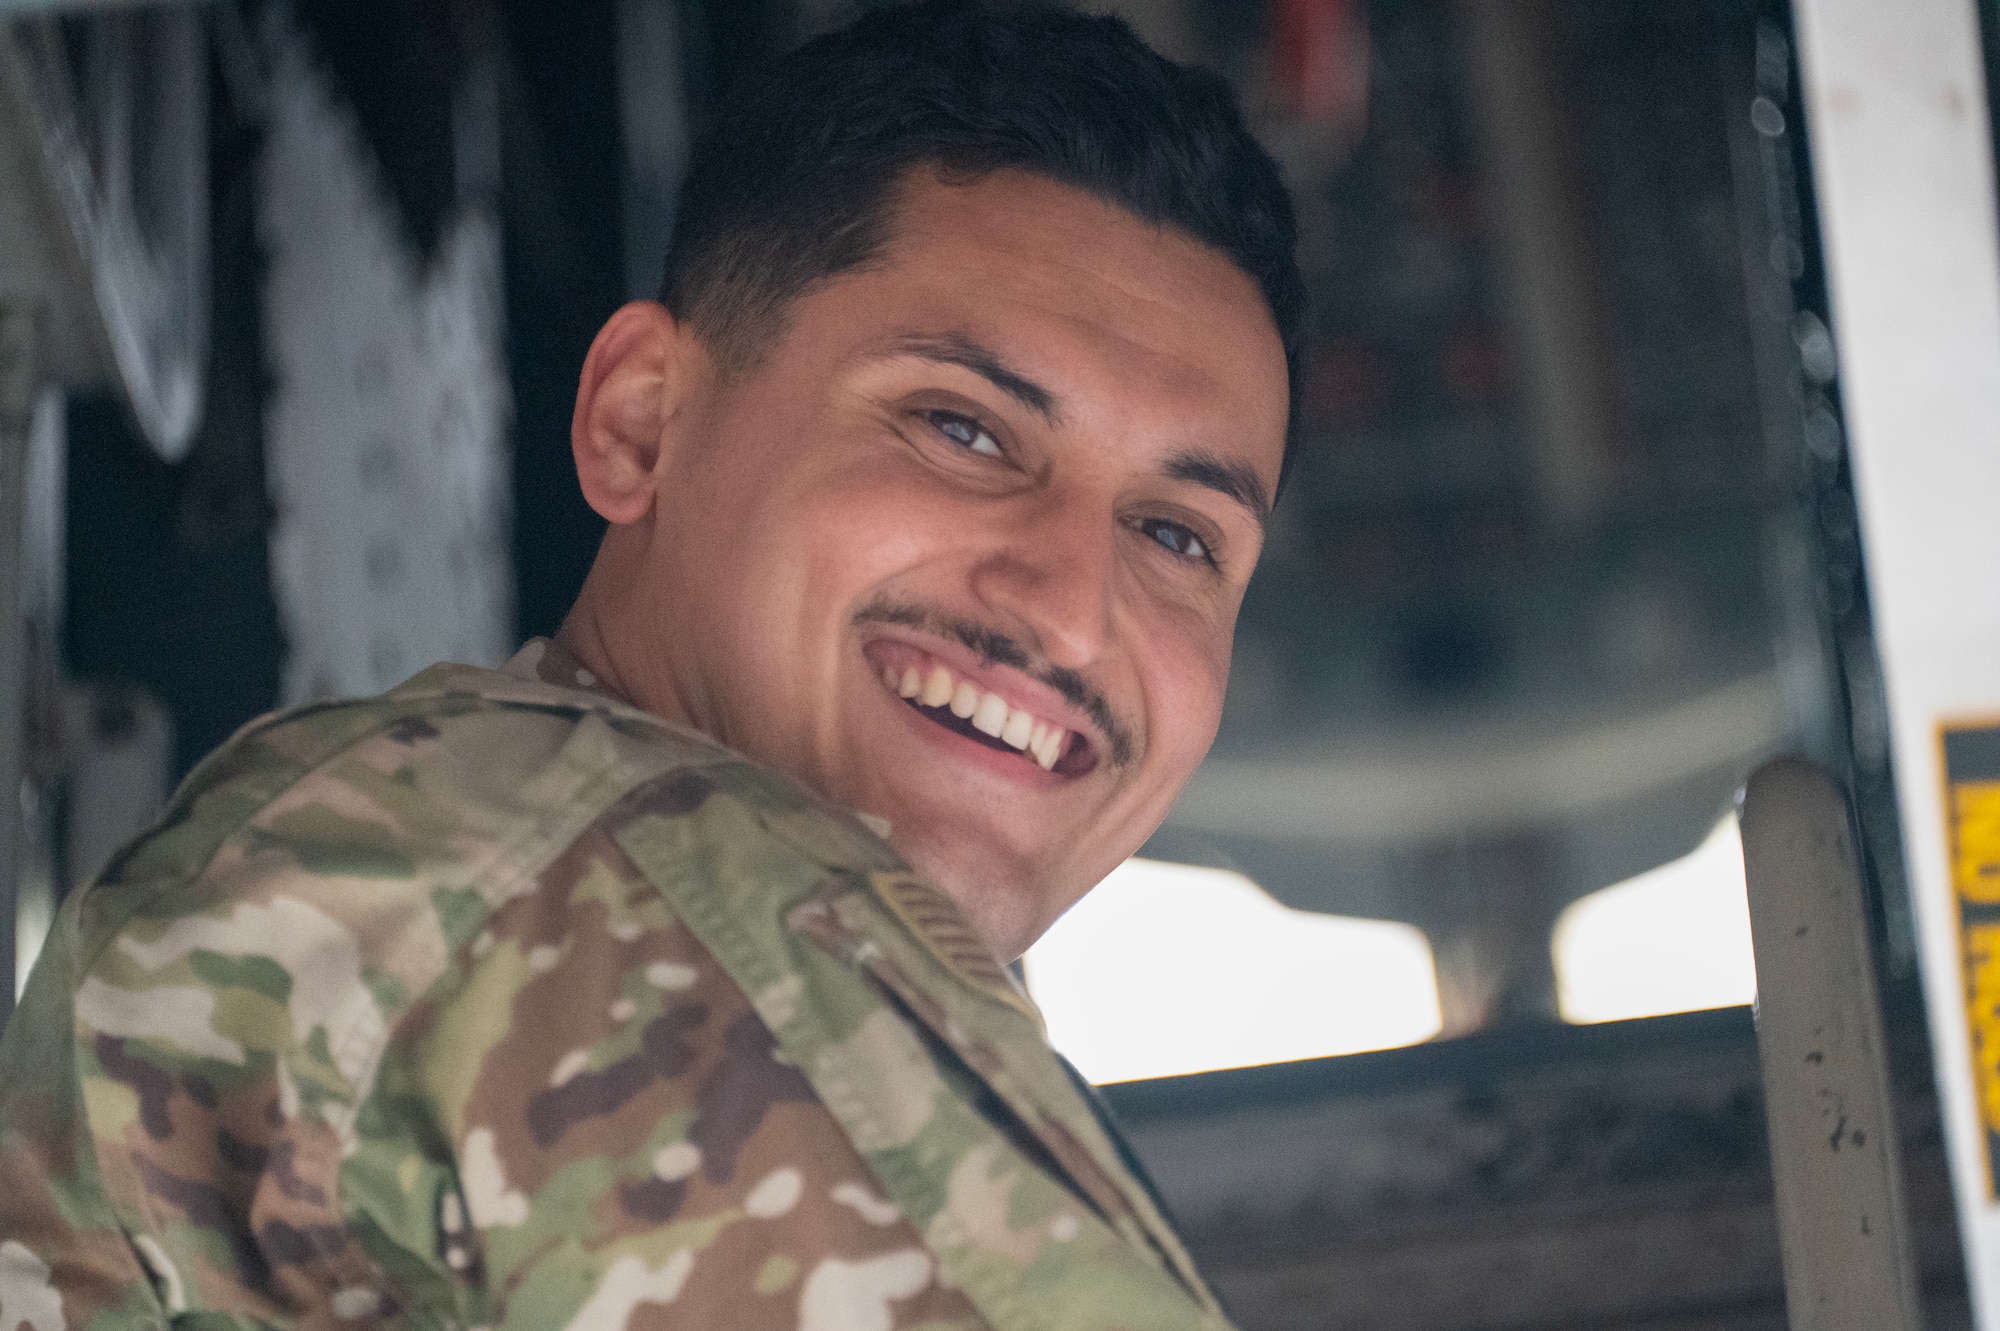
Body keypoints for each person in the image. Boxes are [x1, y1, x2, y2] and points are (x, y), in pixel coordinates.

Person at [0, 2, 1302, 1327]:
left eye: (1174, 534)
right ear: (641, 421)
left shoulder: (471, 842)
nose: (1072, 613)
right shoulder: (636, 887)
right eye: (963, 429)